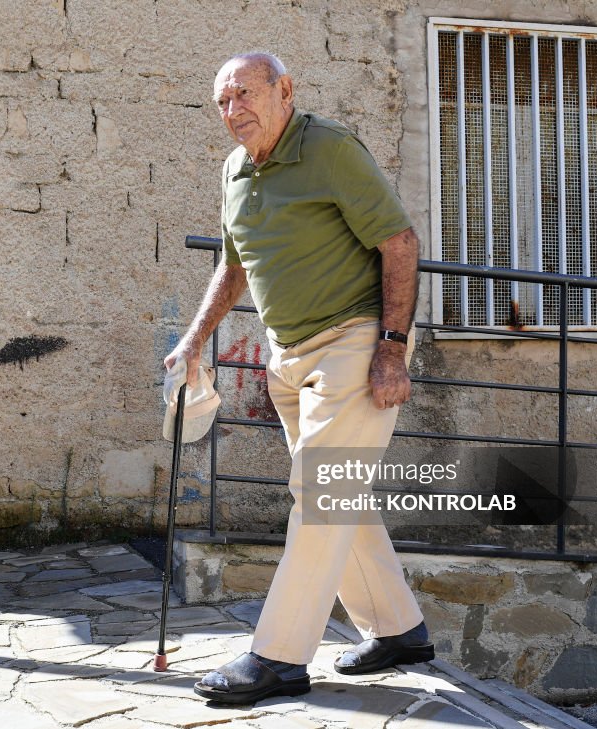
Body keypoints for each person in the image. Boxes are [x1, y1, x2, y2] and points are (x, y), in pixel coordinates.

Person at [164, 51, 434, 705]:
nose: (234, 111)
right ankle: (399, 630)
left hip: (355, 341)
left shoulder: (329, 149)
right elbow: (233, 267)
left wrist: (392, 349)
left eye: (246, 94)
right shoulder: (235, 171)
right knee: (342, 495)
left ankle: (279, 656)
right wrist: (194, 341)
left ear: (285, 90)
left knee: (320, 491)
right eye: (223, 102)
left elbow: (398, 241)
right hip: (289, 356)